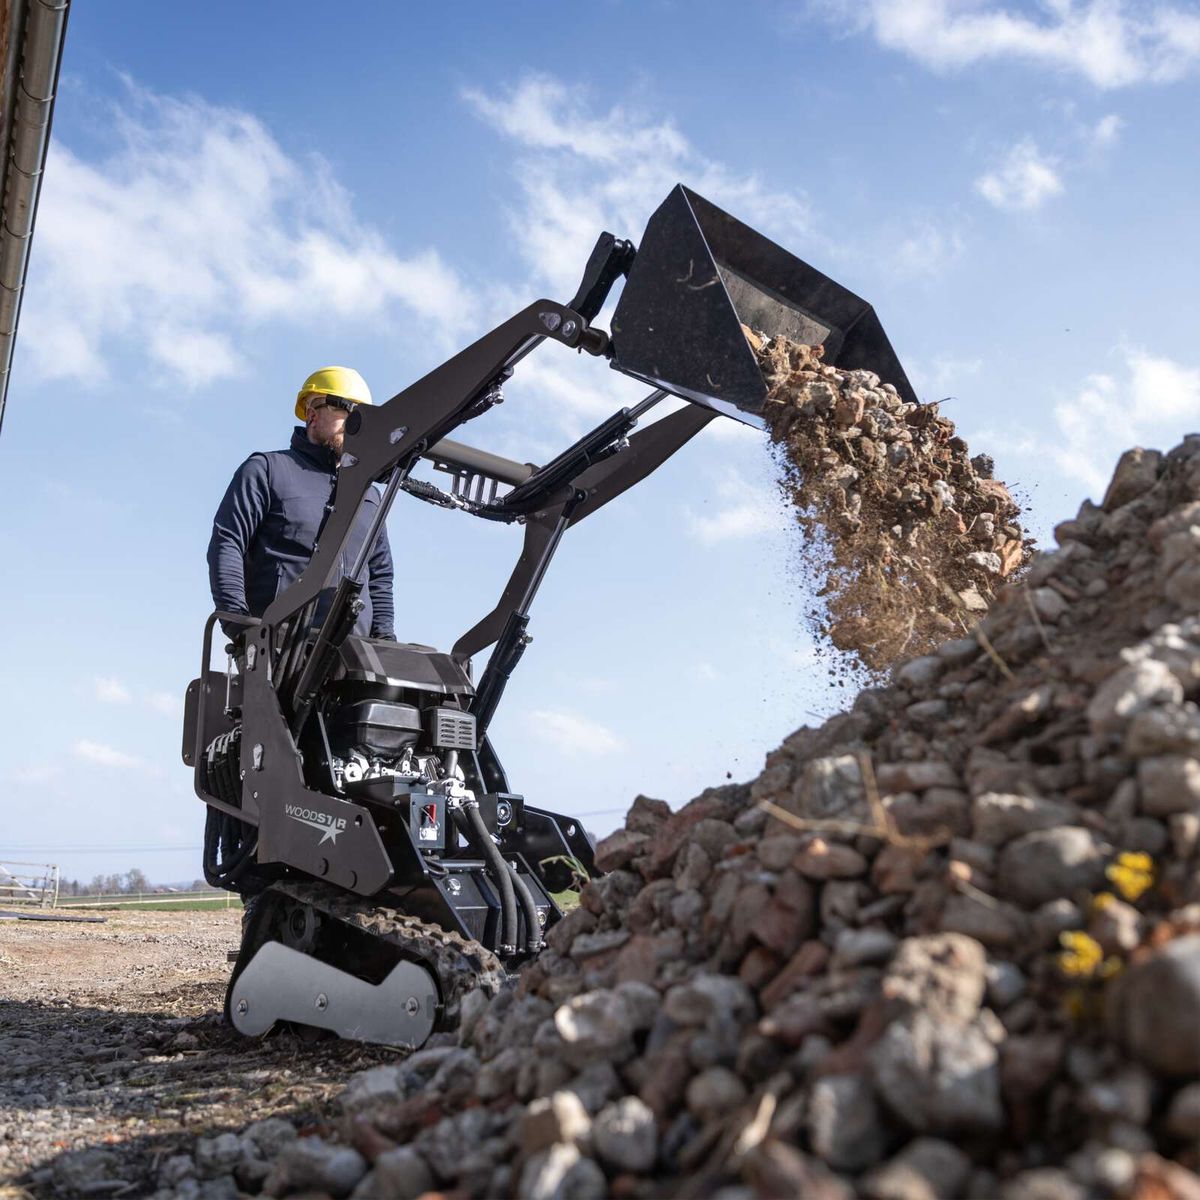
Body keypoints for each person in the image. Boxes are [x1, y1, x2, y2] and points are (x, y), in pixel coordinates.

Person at [207, 366, 395, 641]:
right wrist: (239, 626)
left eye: (361, 417)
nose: (354, 425)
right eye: (346, 411)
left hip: (353, 660)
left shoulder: (369, 495)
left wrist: (385, 639)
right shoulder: (267, 470)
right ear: (312, 414)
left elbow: (380, 574)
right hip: (278, 651)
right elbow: (227, 542)